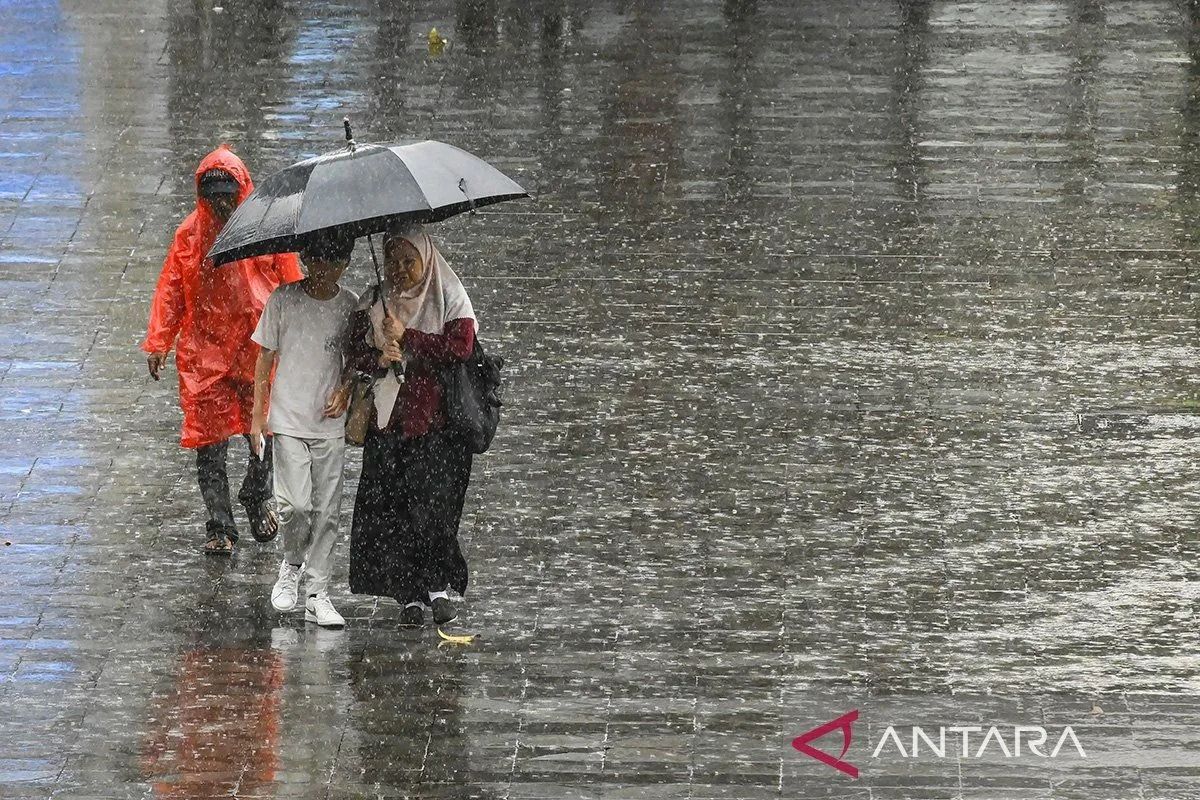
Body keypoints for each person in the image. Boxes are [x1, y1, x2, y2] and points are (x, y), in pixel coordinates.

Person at [142, 145, 303, 555]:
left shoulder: (264, 229)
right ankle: (220, 525)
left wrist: (298, 331)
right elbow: (172, 289)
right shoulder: (190, 236)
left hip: (256, 346)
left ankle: (257, 493)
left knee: (264, 427)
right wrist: (160, 340)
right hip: (206, 352)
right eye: (213, 198)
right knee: (209, 442)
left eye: (227, 197)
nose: (221, 205)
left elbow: (289, 278)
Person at [344, 225, 477, 627]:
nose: (400, 270)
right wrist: (379, 356)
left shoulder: (449, 294)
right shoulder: (375, 300)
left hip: (438, 425)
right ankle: (409, 595)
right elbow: (353, 351)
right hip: (389, 424)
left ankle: (438, 586)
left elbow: (461, 347)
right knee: (394, 510)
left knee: (435, 508)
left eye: (409, 261)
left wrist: (411, 338)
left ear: (426, 258)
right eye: (392, 261)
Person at [251, 230, 359, 629]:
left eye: (334, 262)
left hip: (329, 423)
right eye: (316, 260)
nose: (324, 270)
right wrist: (257, 416)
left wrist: (345, 389)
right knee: (295, 505)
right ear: (305, 259)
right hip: (288, 419)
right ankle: (292, 562)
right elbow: (265, 357)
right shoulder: (283, 300)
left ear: (345, 264)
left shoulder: (350, 306)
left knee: (327, 510)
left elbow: (356, 358)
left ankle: (317, 592)